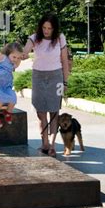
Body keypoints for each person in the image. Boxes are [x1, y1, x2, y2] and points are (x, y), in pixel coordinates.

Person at [23, 13, 71, 157]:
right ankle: (44, 143)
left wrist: (65, 81)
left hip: (55, 77)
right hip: (38, 77)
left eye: (49, 28)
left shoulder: (60, 38)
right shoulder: (34, 38)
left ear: (54, 28)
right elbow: (25, 50)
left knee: (54, 112)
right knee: (40, 112)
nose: (46, 31)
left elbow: (65, 61)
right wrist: (22, 54)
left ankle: (52, 145)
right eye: (44, 27)